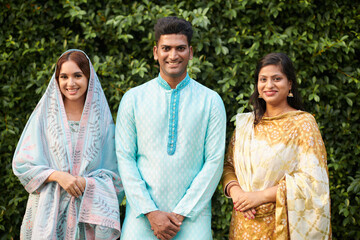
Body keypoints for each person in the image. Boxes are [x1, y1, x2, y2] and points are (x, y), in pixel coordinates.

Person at [115, 16, 226, 240]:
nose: (173, 55)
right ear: (156, 51)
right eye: (166, 48)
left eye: (180, 48)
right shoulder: (133, 99)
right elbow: (125, 158)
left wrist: (181, 213)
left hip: (193, 218)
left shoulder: (211, 101)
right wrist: (152, 213)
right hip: (142, 217)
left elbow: (214, 162)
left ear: (191, 52)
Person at [12, 49, 124, 239]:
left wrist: (86, 183)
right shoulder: (44, 119)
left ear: (89, 78)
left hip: (87, 219)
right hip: (47, 217)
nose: (70, 83)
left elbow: (117, 178)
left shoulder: (102, 123)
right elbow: (22, 165)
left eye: (77, 76)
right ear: (57, 80)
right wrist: (57, 176)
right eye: (64, 76)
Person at [222, 52, 331, 239]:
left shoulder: (303, 123)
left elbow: (314, 181)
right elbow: (228, 166)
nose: (269, 85)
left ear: (290, 84)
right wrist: (238, 194)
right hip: (242, 224)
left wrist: (259, 197)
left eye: (277, 78)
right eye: (263, 79)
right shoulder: (247, 124)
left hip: (281, 226)